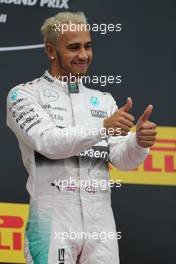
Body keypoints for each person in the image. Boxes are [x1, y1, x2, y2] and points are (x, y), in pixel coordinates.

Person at [6, 11, 157, 264]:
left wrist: (138, 142)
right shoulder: (23, 95)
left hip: (101, 222)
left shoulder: (103, 99)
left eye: (88, 46)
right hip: (52, 220)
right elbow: (48, 142)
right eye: (74, 47)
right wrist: (103, 126)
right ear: (51, 51)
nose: (84, 55)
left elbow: (123, 160)